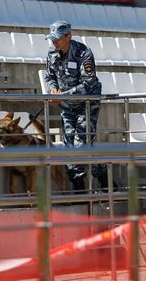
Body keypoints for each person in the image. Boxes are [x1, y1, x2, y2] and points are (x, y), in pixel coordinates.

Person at [44, 20, 107, 191]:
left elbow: (88, 83)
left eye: (57, 38)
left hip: (86, 105)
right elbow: (49, 77)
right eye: (52, 39)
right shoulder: (51, 53)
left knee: (83, 143)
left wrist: (61, 96)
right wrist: (53, 90)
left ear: (68, 36)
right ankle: (78, 188)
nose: (54, 42)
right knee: (69, 145)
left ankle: (102, 177)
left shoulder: (83, 53)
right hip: (66, 106)